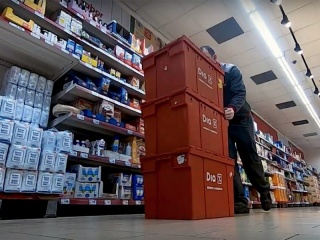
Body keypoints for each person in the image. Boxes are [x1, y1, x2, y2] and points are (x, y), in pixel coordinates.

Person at [200, 46, 271, 214]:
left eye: (206, 58)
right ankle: (240, 201)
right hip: (224, 123)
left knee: (250, 158)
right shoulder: (204, 76)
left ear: (215, 57)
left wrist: (232, 107)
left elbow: (240, 93)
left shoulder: (231, 70)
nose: (204, 62)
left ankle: (264, 192)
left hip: (241, 119)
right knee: (229, 161)